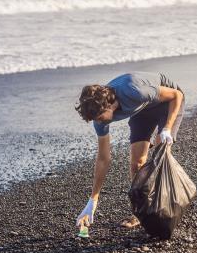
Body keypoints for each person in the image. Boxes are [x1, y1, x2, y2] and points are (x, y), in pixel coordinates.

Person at [74, 72, 185, 237]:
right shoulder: (99, 117)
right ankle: (140, 212)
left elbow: (176, 95)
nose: (98, 122)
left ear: (110, 106)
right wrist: (93, 200)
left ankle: (166, 208)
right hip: (142, 110)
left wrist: (167, 128)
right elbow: (103, 159)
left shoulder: (133, 91)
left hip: (167, 102)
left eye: (99, 117)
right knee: (137, 163)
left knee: (160, 156)